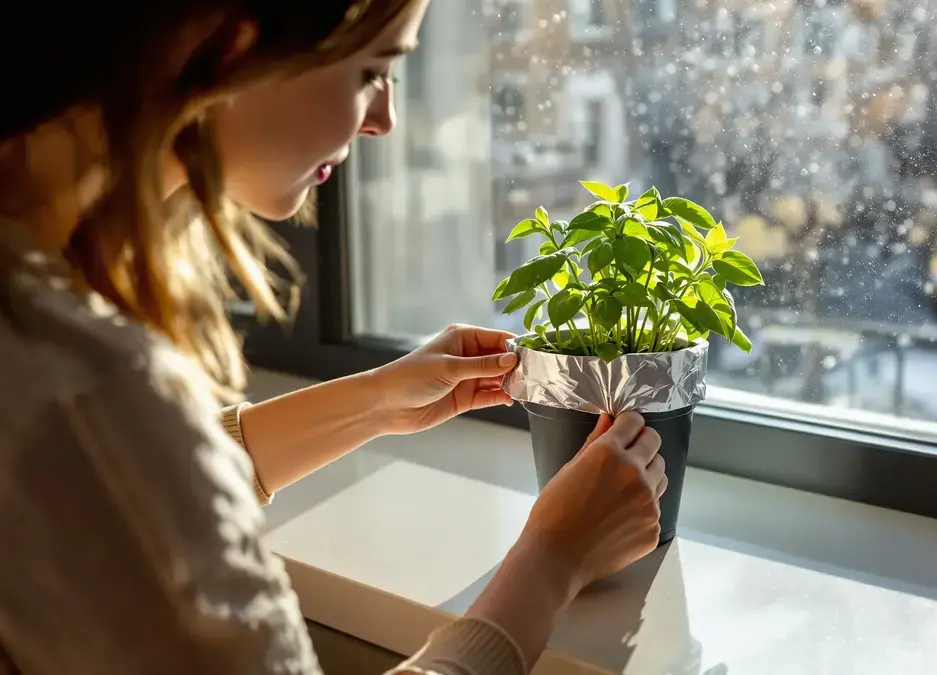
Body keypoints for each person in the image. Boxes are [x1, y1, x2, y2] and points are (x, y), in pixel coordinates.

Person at [0, 1, 668, 673]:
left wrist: (375, 401)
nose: (385, 120)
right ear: (230, 44)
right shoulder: (82, 383)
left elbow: (131, 487)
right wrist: (552, 562)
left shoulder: (43, 306)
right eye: (371, 72)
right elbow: (120, 453)